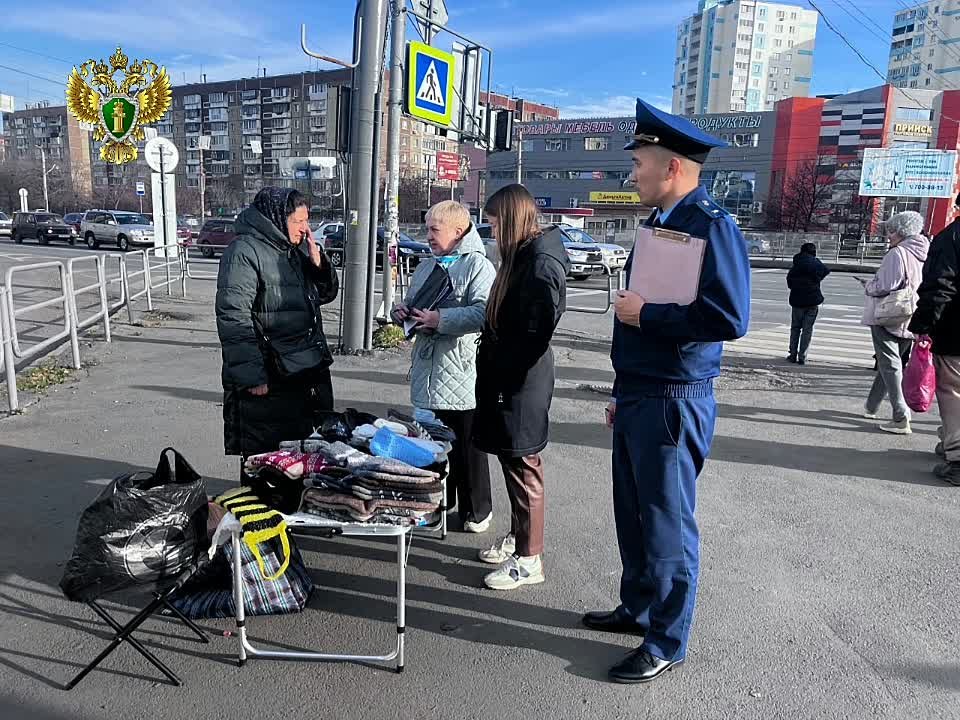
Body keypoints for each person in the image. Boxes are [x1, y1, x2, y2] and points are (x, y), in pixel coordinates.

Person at [583, 98, 750, 684]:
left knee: (667, 523)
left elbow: (729, 317)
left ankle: (667, 640)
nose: (632, 174)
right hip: (642, 393)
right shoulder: (662, 224)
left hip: (675, 399)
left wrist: (648, 317)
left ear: (672, 167)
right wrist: (622, 389)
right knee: (632, 512)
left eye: (639, 163)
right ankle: (641, 606)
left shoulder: (710, 225)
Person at [472, 184, 569, 591]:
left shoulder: (540, 262)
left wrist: (505, 375)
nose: (491, 232)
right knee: (514, 460)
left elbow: (536, 332)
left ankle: (529, 559)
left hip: (521, 379)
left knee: (524, 464)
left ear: (510, 220)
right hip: (512, 375)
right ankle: (520, 538)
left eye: (494, 224)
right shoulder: (525, 254)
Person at [391, 201, 496, 531]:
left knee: (467, 449)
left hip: (460, 369)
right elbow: (414, 303)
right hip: (426, 369)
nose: (429, 236)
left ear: (458, 231)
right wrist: (402, 312)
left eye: (435, 229)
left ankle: (476, 511)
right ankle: (438, 507)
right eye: (427, 228)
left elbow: (483, 313)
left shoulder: (478, 266)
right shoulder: (427, 265)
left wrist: (441, 319)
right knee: (429, 447)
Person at [216, 187, 339, 465]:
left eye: (307, 221)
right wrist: (252, 375)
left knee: (297, 459)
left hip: (301, 371)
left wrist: (318, 264)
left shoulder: (292, 250)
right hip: (269, 377)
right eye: (298, 222)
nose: (305, 229)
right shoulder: (244, 252)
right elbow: (233, 316)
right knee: (265, 461)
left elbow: (323, 295)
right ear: (275, 218)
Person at [861, 210, 928, 435]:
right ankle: (871, 406)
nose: (888, 235)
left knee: (890, 364)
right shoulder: (923, 252)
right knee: (892, 362)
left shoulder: (896, 253)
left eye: (891, 230)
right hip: (911, 314)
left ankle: (901, 416)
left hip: (888, 315)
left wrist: (869, 286)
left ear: (900, 231)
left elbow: (886, 285)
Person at [909, 195, 960, 485]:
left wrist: (923, 324)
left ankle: (958, 459)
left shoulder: (951, 238)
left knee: (953, 392)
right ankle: (949, 442)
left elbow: (940, 286)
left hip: (956, 333)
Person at [786, 242, 830, 365]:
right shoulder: (816, 263)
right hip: (812, 300)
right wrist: (816, 279)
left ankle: (792, 354)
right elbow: (826, 271)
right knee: (807, 329)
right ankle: (802, 356)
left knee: (795, 328)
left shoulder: (797, 263)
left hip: (797, 300)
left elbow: (789, 282)